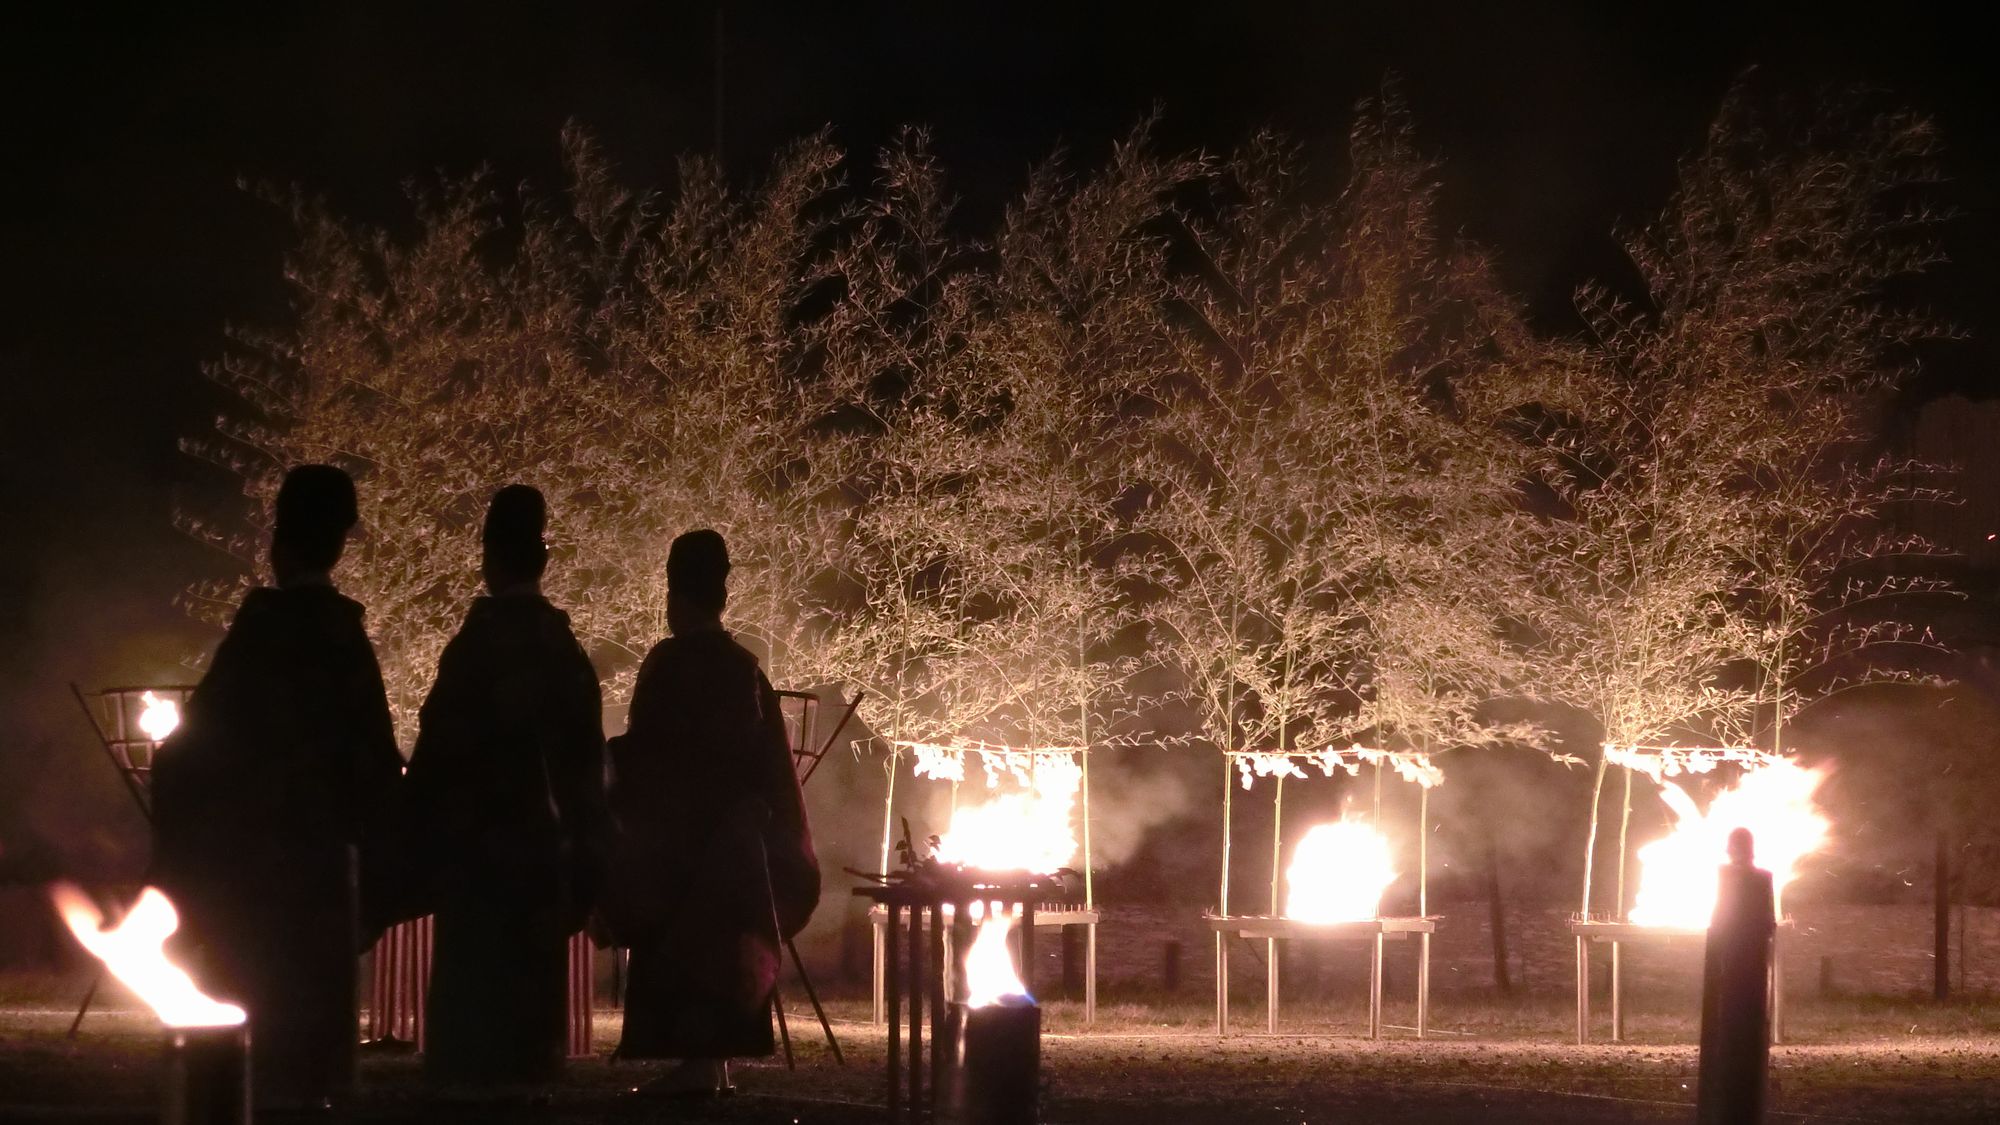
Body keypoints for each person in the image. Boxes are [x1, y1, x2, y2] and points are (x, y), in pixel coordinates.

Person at [151, 464, 403, 1112]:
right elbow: (377, 771)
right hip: (321, 886)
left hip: (248, 882)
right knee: (313, 1069)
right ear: (340, 544)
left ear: (276, 541)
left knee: (250, 1060)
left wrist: (186, 866)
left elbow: (187, 755)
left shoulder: (257, 637)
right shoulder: (345, 642)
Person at [400, 485, 608, 1087]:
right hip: (542, 857)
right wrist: (587, 860)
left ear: (488, 557)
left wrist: (414, 837)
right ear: (543, 561)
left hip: (473, 854)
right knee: (528, 1009)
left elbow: (438, 750)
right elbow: (584, 765)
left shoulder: (474, 648)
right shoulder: (562, 650)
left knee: (471, 1003)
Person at [602, 529, 819, 1097]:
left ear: (676, 594)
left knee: (686, 945)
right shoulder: (743, 669)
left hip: (680, 850)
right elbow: (767, 765)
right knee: (725, 952)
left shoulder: (669, 666)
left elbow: (649, 755)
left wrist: (604, 762)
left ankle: (700, 1065)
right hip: (735, 852)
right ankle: (715, 1062)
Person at [1695, 826, 1777, 1125]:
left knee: (1737, 1030)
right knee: (1735, 1031)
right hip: (1740, 964)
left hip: (1741, 965)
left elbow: (1759, 920)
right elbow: (1765, 922)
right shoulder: (1737, 876)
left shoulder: (1751, 877)